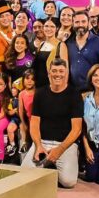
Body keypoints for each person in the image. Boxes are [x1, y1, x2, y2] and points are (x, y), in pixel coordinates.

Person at [22, 58, 83, 188]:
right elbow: (34, 124)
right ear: (49, 73)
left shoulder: (75, 95)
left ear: (66, 73)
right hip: (42, 142)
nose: (57, 74)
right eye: (54, 71)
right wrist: (38, 145)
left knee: (68, 182)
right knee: (23, 174)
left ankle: (58, 162)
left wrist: (60, 150)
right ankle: (48, 164)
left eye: (61, 71)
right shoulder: (40, 93)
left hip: (65, 144)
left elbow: (77, 129)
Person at [66, 11, 99, 93]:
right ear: (72, 24)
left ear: (88, 23)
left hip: (93, 91)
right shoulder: (68, 43)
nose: (80, 25)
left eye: (83, 21)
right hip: (72, 92)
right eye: (77, 22)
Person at [33, 17, 68, 89]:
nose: (48, 29)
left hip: (52, 85)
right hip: (38, 85)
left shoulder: (61, 45)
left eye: (52, 26)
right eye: (46, 26)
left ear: (57, 29)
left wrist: (63, 87)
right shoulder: (41, 44)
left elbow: (66, 69)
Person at [17, 69, 36, 150]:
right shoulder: (21, 94)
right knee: (23, 128)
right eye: (27, 78)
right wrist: (24, 123)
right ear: (23, 80)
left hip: (37, 119)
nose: (30, 81)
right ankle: (25, 146)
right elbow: (21, 110)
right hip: (28, 119)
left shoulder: (37, 92)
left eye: (32, 79)